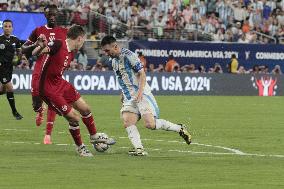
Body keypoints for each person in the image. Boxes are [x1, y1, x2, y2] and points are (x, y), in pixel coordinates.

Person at [100, 36, 192, 156]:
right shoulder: (113, 61)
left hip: (142, 94)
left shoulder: (129, 56)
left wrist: (139, 92)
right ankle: (139, 149)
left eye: (107, 50)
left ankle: (179, 128)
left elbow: (142, 75)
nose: (106, 53)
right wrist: (123, 92)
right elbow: (124, 78)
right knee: (128, 121)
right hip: (130, 97)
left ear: (115, 46)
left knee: (150, 124)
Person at [32, 25, 114, 157]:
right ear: (80, 39)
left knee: (85, 108)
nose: (83, 44)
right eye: (84, 41)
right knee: (74, 118)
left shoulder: (72, 52)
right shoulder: (58, 44)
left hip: (60, 83)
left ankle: (94, 136)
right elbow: (36, 53)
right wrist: (40, 46)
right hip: (49, 90)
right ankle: (80, 147)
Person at [22, 5, 67, 144]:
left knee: (52, 100)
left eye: (54, 14)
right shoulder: (38, 31)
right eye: (49, 14)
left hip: (53, 73)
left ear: (57, 14)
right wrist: (36, 44)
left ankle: (48, 134)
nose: (52, 16)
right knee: (36, 102)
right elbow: (24, 49)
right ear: (45, 15)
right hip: (39, 70)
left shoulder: (64, 32)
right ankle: (39, 110)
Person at [0, 19, 23, 120]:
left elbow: (19, 52)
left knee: (2, 90)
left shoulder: (16, 40)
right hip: (1, 67)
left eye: (9, 26)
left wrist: (18, 60)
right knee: (10, 87)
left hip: (9, 67)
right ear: (2, 27)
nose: (7, 28)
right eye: (5, 26)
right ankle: (15, 112)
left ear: (12, 28)